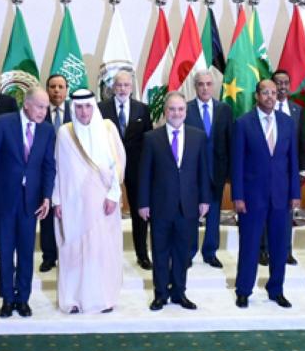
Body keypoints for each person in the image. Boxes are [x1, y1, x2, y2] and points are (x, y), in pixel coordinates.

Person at [0, 87, 55, 318]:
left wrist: (47, 196)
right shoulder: (4, 123)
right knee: (5, 250)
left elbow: (48, 167)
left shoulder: (47, 130)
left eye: (46, 108)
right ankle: (7, 298)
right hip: (4, 199)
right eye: (40, 106)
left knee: (26, 251)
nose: (43, 112)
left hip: (31, 201)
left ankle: (23, 298)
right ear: (27, 104)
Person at [53, 89, 126, 314]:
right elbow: (58, 169)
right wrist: (57, 200)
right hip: (74, 204)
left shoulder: (108, 128)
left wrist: (113, 195)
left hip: (103, 204)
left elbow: (118, 164)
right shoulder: (65, 133)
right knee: (74, 251)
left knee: (101, 251)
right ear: (73, 108)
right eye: (79, 107)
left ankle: (103, 298)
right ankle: (73, 298)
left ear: (94, 106)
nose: (84, 112)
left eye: (87, 106)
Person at [230, 80, 300, 309]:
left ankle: (276, 290)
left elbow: (293, 161)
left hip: (281, 196)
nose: (270, 96)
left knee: (279, 246)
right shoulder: (243, 123)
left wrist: (295, 193)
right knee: (249, 246)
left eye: (273, 92)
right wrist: (238, 196)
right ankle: (243, 290)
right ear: (257, 95)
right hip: (252, 197)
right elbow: (237, 163)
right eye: (265, 92)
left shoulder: (287, 123)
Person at [139, 91, 210, 311]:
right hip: (160, 206)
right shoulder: (151, 138)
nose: (176, 113)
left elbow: (203, 171)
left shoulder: (198, 136)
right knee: (160, 252)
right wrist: (143, 203)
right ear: (165, 111)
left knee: (182, 252)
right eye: (172, 109)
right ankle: (160, 294)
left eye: (180, 109)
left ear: (186, 111)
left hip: (188, 206)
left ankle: (179, 293)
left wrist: (205, 200)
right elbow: (144, 174)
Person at [98, 70, 154, 270]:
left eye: (126, 85)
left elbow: (148, 139)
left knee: (140, 211)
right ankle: (105, 254)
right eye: (119, 85)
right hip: (109, 168)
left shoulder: (142, 109)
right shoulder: (101, 108)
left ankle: (142, 254)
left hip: (136, 168)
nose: (122, 89)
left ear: (132, 88)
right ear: (113, 87)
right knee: (105, 209)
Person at [185, 70, 233, 268]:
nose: (205, 88)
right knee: (190, 213)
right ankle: (188, 252)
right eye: (201, 84)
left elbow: (230, 141)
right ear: (195, 87)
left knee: (214, 213)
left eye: (208, 84)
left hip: (217, 171)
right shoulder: (186, 109)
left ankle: (210, 252)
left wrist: (229, 172)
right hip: (192, 172)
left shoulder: (224, 109)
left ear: (213, 86)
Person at [261, 69, 305, 266]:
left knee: (286, 214)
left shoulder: (297, 110)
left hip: (288, 172)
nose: (282, 87)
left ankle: (286, 251)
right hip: (266, 171)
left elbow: (301, 142)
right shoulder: (262, 110)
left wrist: (301, 169)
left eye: (286, 83)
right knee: (265, 211)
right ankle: (264, 250)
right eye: (278, 83)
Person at [38, 74, 71, 272]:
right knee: (47, 214)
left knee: (71, 214)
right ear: (47, 90)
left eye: (60, 87)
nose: (56, 90)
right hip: (45, 171)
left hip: (70, 172)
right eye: (52, 87)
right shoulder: (40, 112)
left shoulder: (76, 112)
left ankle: (68, 256)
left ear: (66, 90)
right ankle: (49, 257)